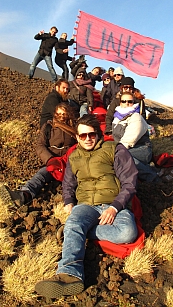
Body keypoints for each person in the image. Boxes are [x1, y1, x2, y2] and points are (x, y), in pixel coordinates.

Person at [34, 114, 138, 299]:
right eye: (83, 136)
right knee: (75, 221)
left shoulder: (115, 149)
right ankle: (70, 274)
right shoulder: (74, 156)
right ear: (77, 137)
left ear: (97, 134)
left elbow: (129, 182)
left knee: (127, 233)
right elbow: (68, 184)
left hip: (114, 203)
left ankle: (76, 231)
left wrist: (115, 207)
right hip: (86, 205)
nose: (88, 139)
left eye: (91, 134)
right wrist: (68, 202)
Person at [0, 103, 77, 207]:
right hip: (53, 162)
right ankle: (22, 196)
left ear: (68, 114)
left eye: (64, 114)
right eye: (59, 114)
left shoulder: (75, 128)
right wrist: (50, 160)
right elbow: (40, 145)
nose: (61, 117)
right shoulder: (48, 127)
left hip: (69, 162)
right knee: (41, 175)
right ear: (54, 114)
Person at [112, 92, 160, 182]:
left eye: (130, 101)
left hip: (142, 148)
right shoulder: (116, 119)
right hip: (124, 148)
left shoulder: (136, 117)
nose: (127, 103)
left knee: (122, 157)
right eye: (124, 101)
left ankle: (153, 177)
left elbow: (129, 140)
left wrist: (115, 151)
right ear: (120, 103)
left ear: (133, 103)